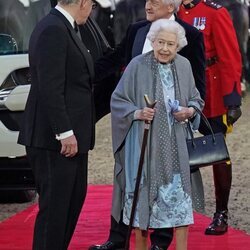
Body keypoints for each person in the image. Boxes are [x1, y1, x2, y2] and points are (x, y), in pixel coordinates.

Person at [90, 0, 206, 249]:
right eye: (160, 43)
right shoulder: (137, 61)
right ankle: (120, 238)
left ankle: (162, 243)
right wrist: (137, 112)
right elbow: (118, 98)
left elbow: (196, 94)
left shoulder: (185, 61)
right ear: (153, 42)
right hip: (141, 142)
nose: (165, 48)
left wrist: (190, 111)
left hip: (174, 145)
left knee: (174, 201)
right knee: (138, 202)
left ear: (178, 46)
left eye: (170, 44)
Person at [17, 0, 97, 249]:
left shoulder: (65, 27)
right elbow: (50, 87)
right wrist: (64, 132)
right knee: (55, 212)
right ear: (83, 2)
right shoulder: (53, 28)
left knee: (70, 204)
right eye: (92, 4)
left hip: (69, 139)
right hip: (55, 141)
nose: (92, 10)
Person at [178, 0, 242, 235]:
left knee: (217, 152)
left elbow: (230, 56)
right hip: (179, 89)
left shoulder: (215, 13)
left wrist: (232, 98)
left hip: (211, 90)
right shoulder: (172, 10)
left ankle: (221, 213)